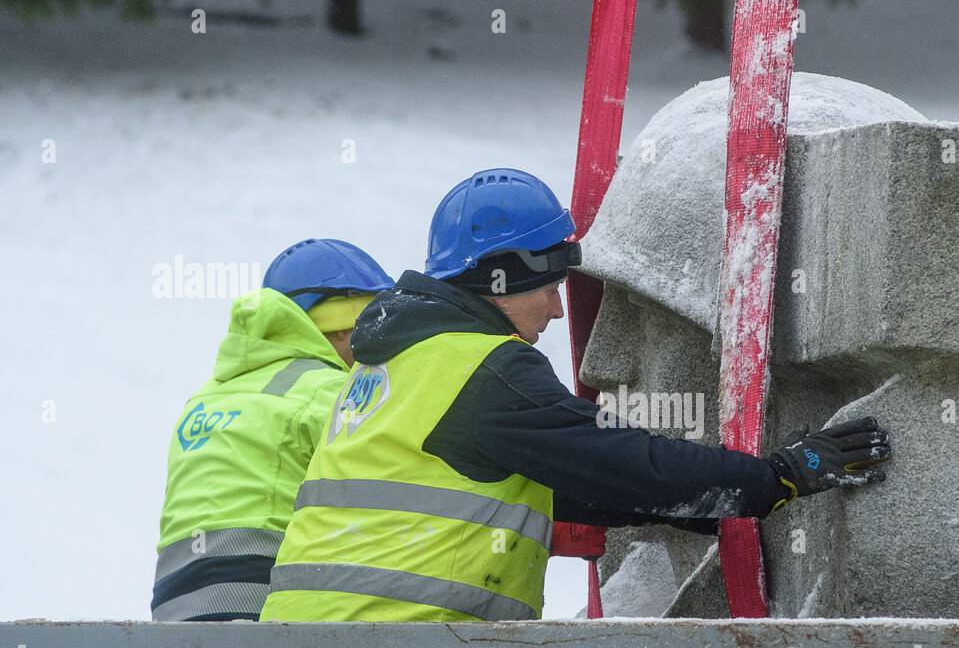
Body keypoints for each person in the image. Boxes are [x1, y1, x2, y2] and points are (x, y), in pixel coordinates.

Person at [259, 169, 891, 623]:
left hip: (315, 636)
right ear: (498, 277)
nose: (559, 310)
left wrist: (697, 507)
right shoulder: (483, 369)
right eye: (549, 286)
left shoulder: (395, 364)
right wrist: (778, 477)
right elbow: (613, 459)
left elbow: (566, 484)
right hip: (389, 642)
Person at [151, 239, 394, 621]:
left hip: (173, 604)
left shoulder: (203, 399)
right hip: (258, 592)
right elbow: (383, 493)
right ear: (342, 330)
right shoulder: (328, 389)